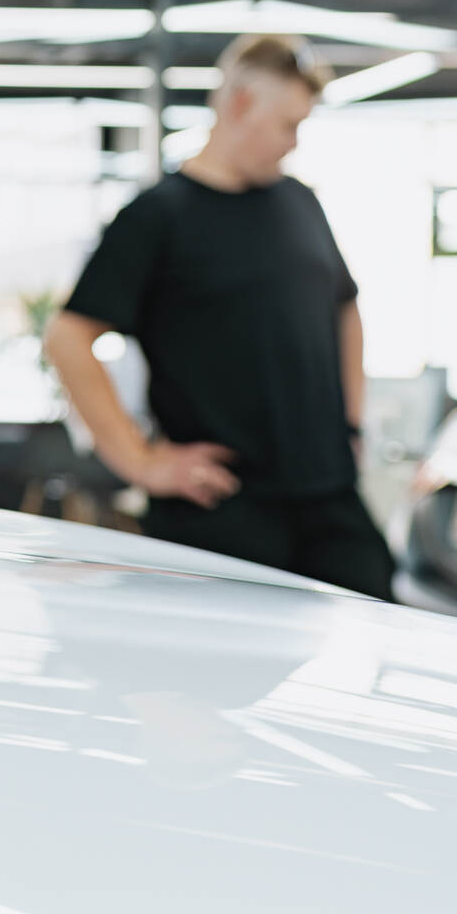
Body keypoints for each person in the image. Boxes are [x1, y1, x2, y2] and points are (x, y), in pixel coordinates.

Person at [44, 34, 394, 599]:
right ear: (239, 105)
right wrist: (141, 463)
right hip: (222, 506)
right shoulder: (158, 216)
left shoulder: (300, 202)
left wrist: (352, 423)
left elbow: (345, 307)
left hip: (329, 496)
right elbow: (68, 337)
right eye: (287, 125)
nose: (293, 144)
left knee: (381, 624)